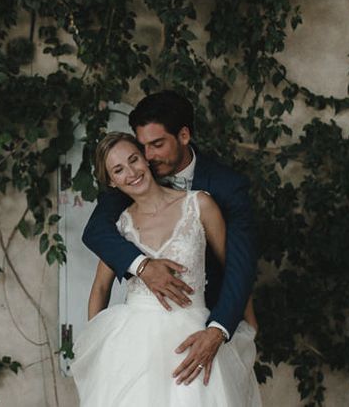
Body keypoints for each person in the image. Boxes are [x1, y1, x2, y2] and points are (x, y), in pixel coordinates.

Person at [71, 133, 260, 406]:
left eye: (133, 159)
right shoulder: (121, 225)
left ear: (145, 159)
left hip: (192, 333)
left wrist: (249, 323)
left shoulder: (200, 205)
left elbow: (234, 267)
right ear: (112, 181)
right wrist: (97, 346)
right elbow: (100, 287)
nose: (131, 172)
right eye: (118, 170)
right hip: (132, 345)